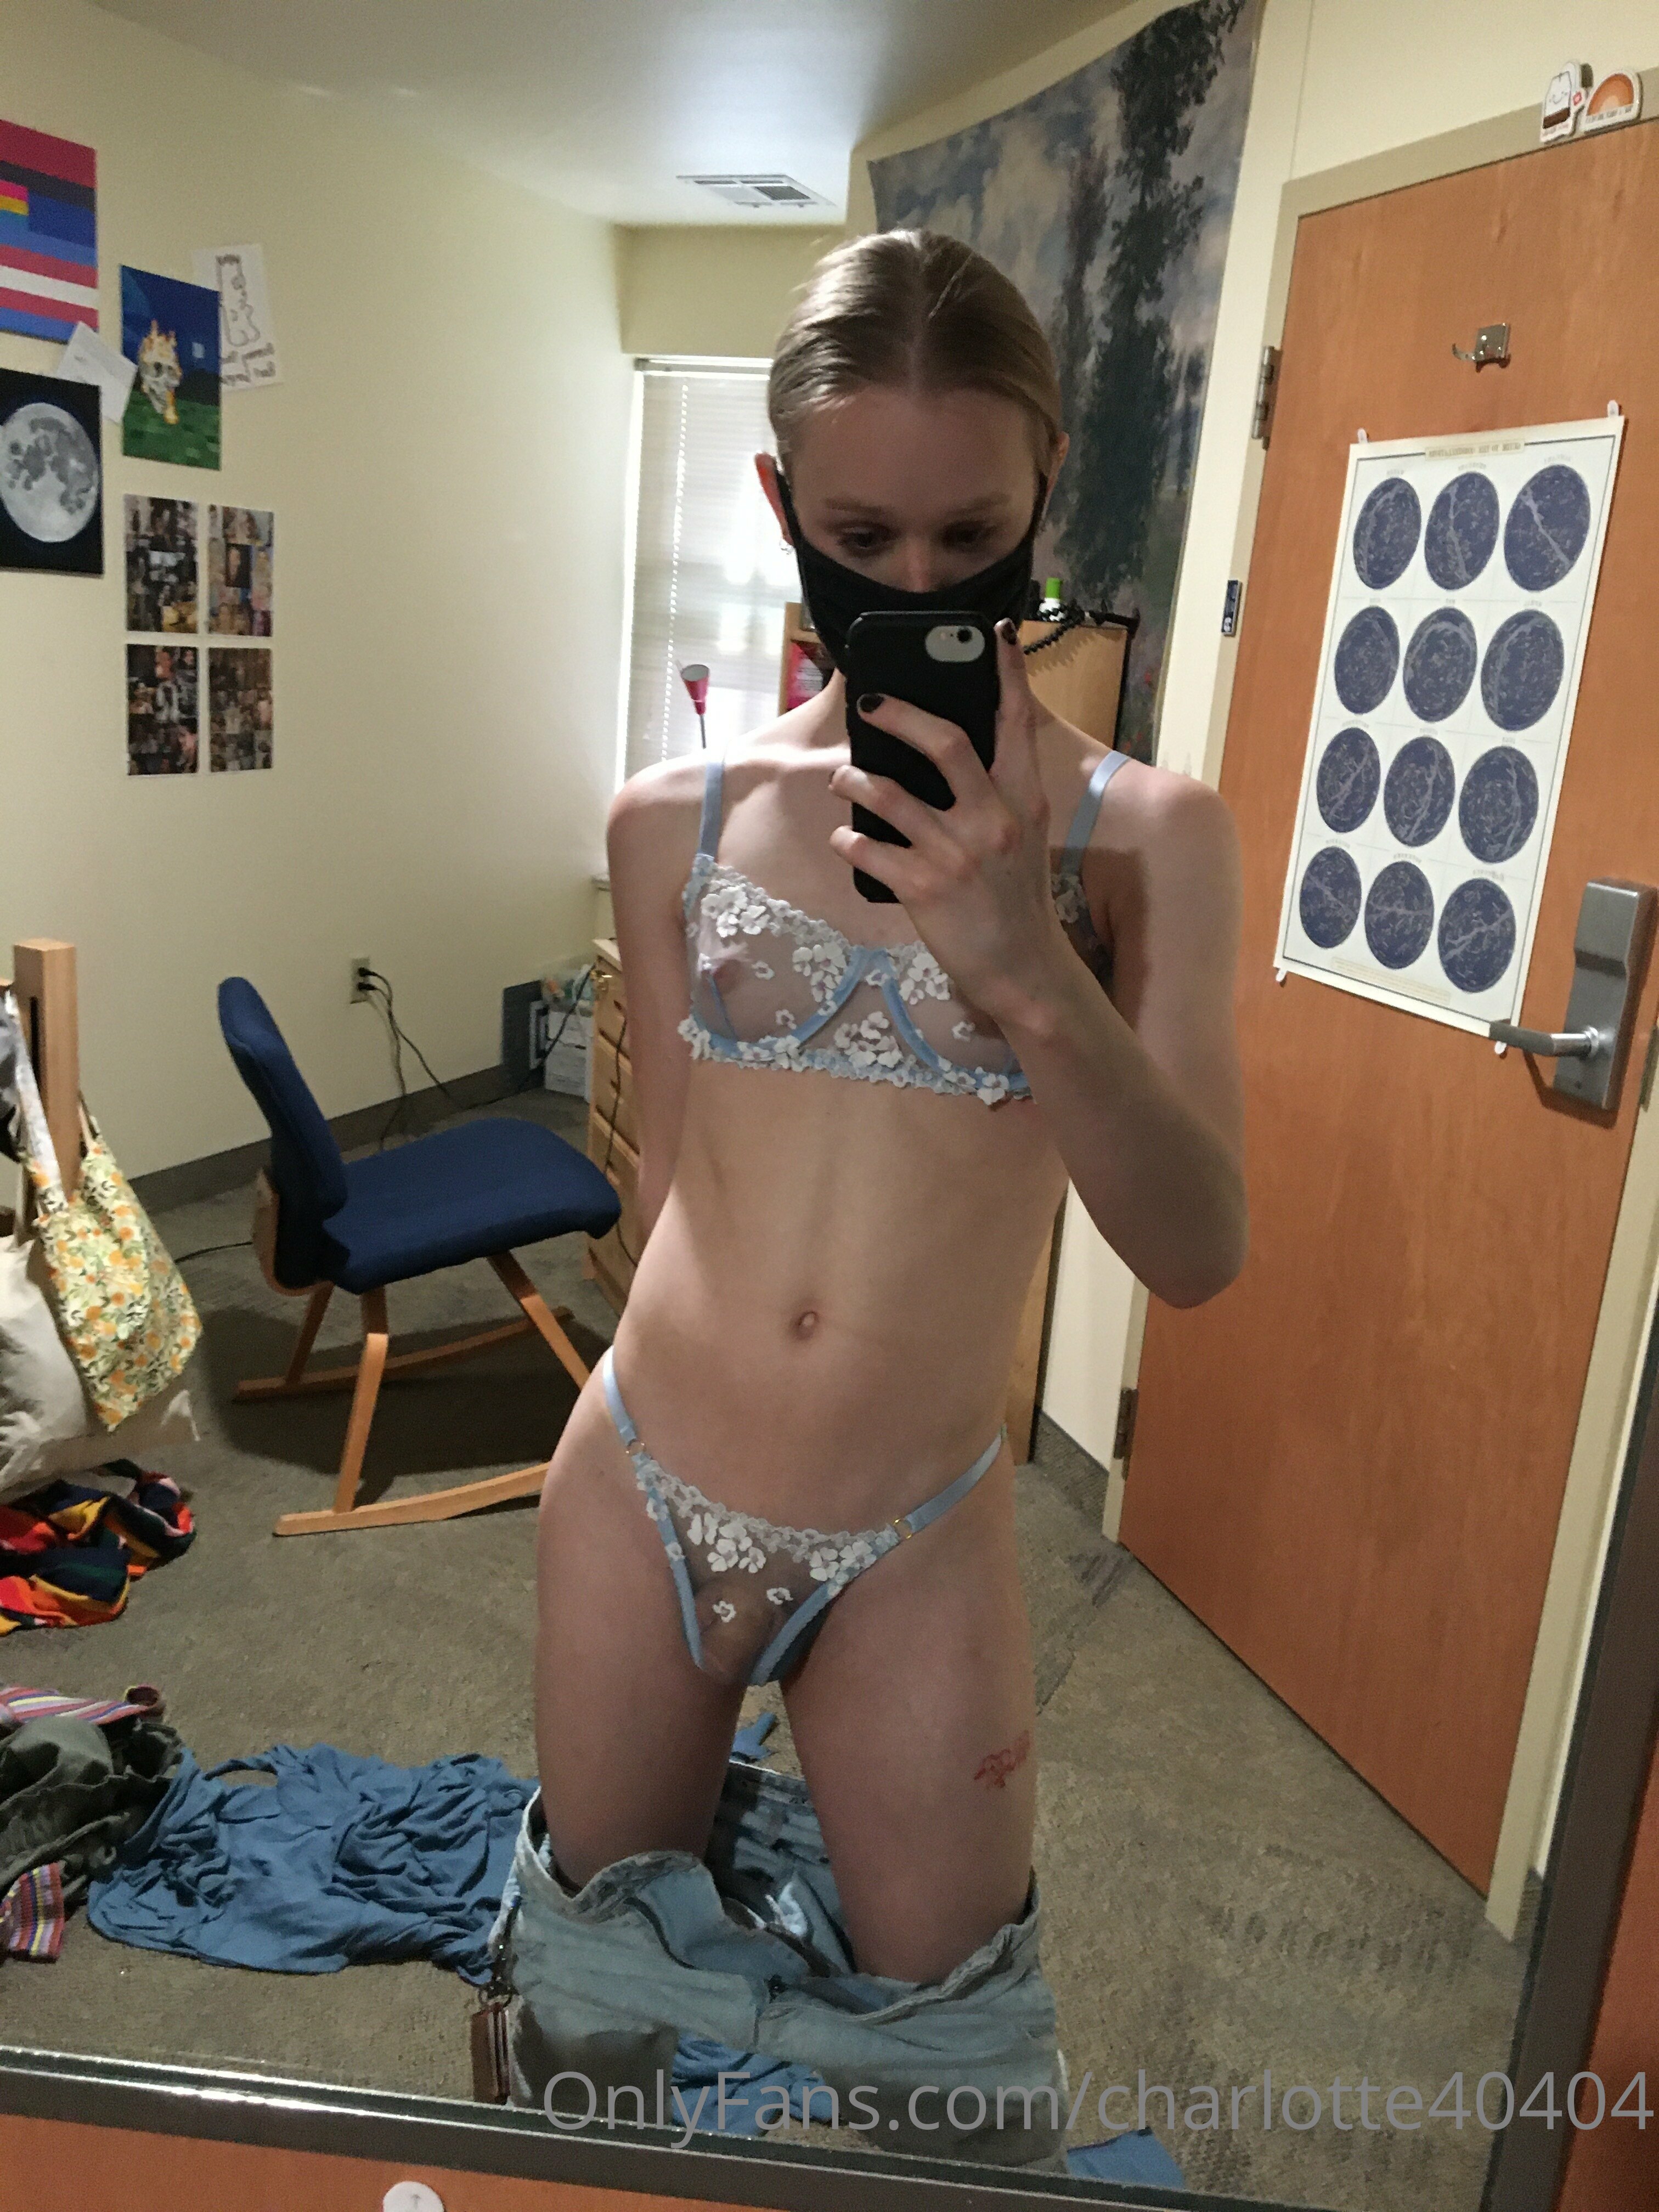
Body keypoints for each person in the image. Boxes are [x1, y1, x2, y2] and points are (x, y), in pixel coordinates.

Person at [527, 228, 1245, 2136]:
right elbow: (669, 1194)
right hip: (646, 1483)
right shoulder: (673, 821)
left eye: (969, 535)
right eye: (860, 536)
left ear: (1045, 489)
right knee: (586, 2031)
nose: (917, 584)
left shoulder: (1151, 840)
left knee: (959, 2092)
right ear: (782, 505)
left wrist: (1021, 959)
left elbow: (1197, 1250)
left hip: (914, 1533)